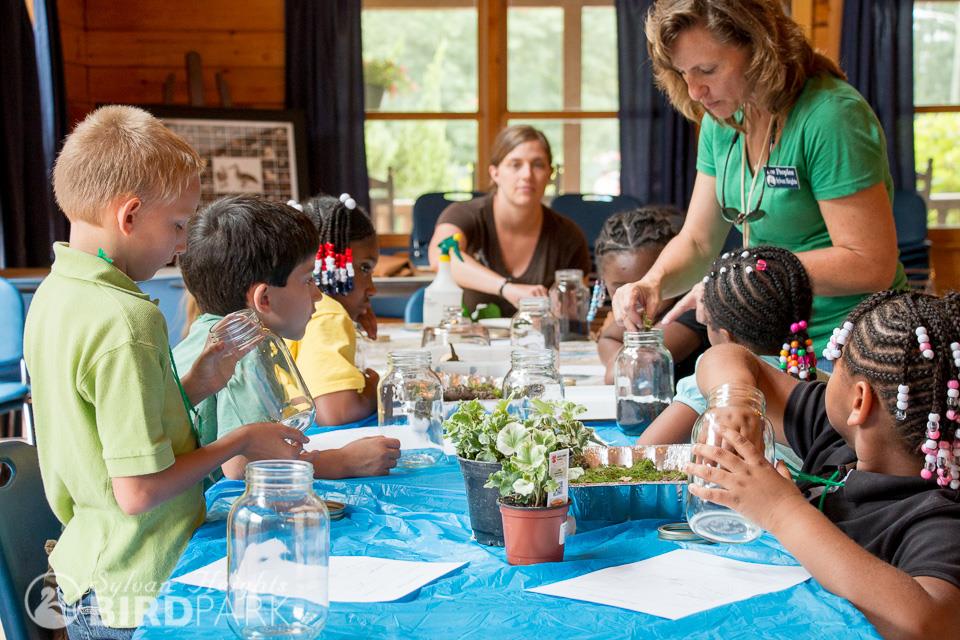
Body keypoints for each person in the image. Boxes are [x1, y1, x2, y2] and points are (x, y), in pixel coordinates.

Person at [23, 106, 308, 637]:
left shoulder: (56, 294)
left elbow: (106, 428)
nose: (182, 244)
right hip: (140, 584)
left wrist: (197, 382)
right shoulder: (126, 320)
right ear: (129, 215)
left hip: (90, 567)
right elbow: (137, 491)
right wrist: (240, 439)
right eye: (177, 225)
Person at [612, 0, 907, 360]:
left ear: (760, 49)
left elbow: (870, 263)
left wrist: (739, 277)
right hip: (770, 338)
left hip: (852, 342)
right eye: (683, 73)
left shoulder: (831, 117)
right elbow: (698, 243)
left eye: (707, 69)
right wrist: (651, 283)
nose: (693, 91)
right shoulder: (721, 120)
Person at [687, 290, 960, 637]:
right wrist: (736, 398)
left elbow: (929, 624)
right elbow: (728, 355)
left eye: (835, 366)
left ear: (859, 401)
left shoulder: (938, 518)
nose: (824, 374)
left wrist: (781, 510)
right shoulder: (836, 436)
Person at [174, 195, 400, 481]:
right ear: (264, 298)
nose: (318, 294)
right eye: (308, 280)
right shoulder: (244, 348)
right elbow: (241, 466)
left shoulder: (205, 331)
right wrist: (339, 462)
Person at [638, 246, 813, 466]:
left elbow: (648, 451)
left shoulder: (718, 381)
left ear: (724, 336)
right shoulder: (810, 378)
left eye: (706, 323)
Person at [428, 125, 591, 317]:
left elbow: (575, 316)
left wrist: (560, 310)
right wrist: (506, 288)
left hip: (536, 344)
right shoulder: (463, 215)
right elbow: (441, 257)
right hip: (468, 341)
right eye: (515, 164)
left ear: (549, 174)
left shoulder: (568, 235)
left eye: (538, 164)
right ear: (495, 172)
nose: (527, 175)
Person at [290, 193, 381, 425]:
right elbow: (336, 411)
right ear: (332, 264)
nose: (372, 288)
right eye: (364, 268)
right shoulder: (328, 313)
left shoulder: (299, 307)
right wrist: (374, 387)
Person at [593, 206, 708, 384]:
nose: (634, 299)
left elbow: (620, 374)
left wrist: (619, 360)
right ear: (603, 282)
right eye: (621, 288)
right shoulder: (635, 313)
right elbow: (607, 338)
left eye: (644, 285)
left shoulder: (691, 312)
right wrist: (617, 360)